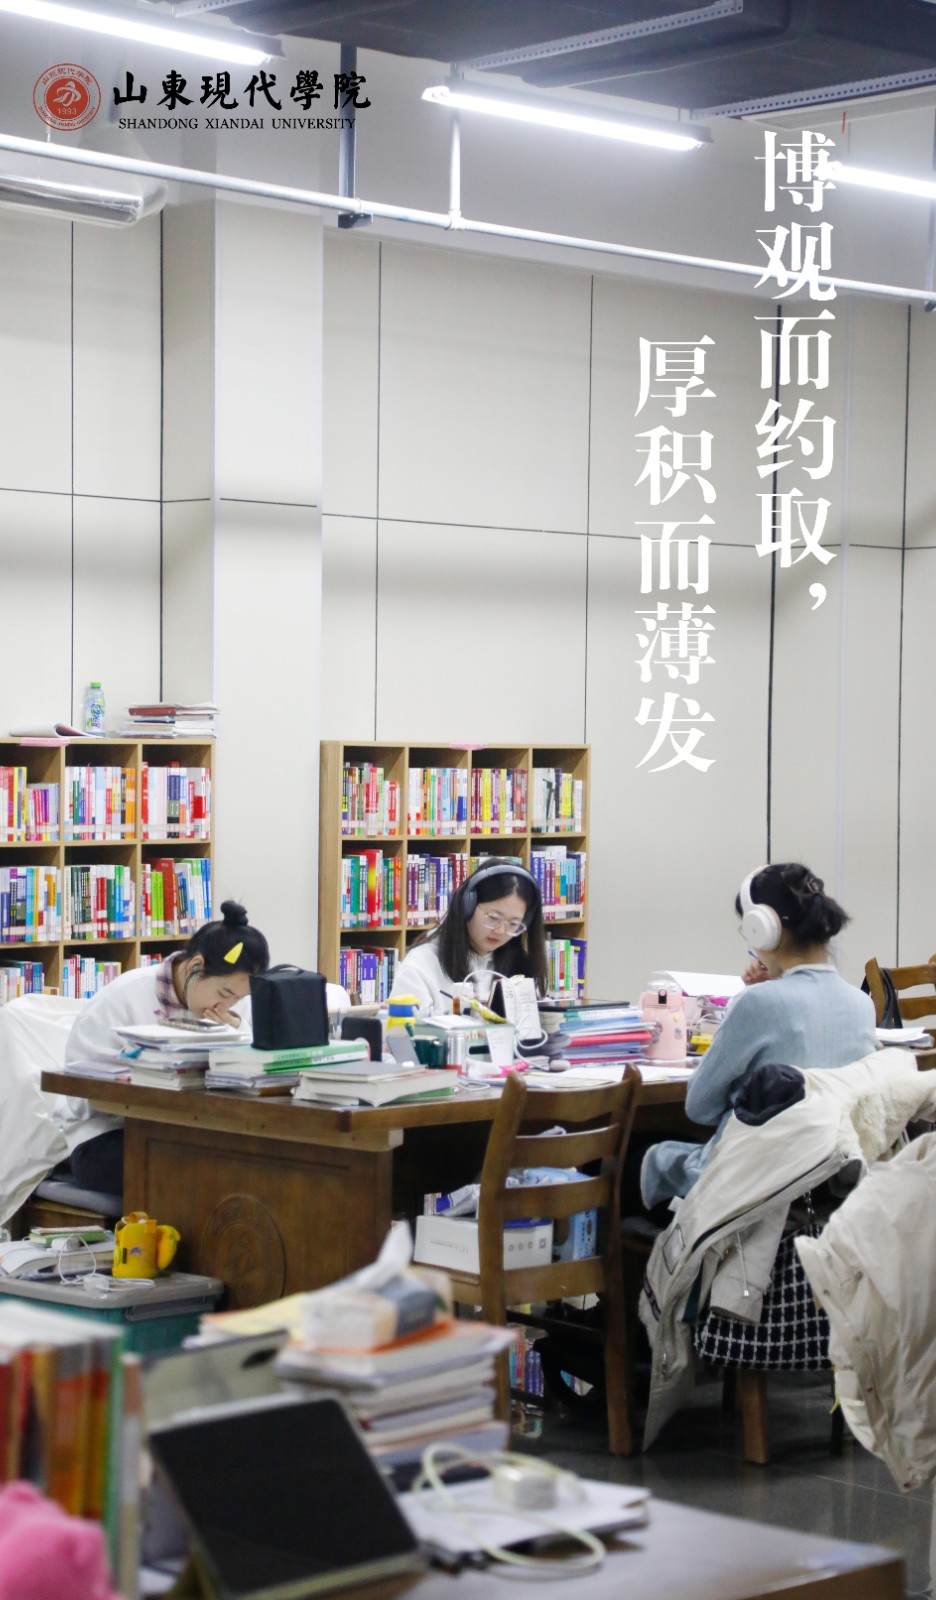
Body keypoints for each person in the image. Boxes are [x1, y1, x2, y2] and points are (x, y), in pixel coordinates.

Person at [641, 863, 878, 1210]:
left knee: (638, 1154)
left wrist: (757, 997)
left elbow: (699, 1107)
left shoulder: (756, 1003)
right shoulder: (862, 1005)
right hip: (823, 1192)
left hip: (745, 1193)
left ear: (763, 928)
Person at [59, 900, 270, 1195]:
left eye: (239, 997)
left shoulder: (235, 1010)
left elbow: (255, 1078)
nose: (228, 1005)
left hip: (192, 1131)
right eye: (224, 993)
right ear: (196, 967)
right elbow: (79, 1097)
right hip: (109, 1135)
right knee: (197, 1172)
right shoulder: (122, 998)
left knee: (263, 1164)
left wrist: (241, 1039)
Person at [389, 859, 547, 1016]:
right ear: (468, 905)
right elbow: (405, 1028)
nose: (500, 931)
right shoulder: (421, 965)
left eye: (513, 924)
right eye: (493, 918)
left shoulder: (520, 966)